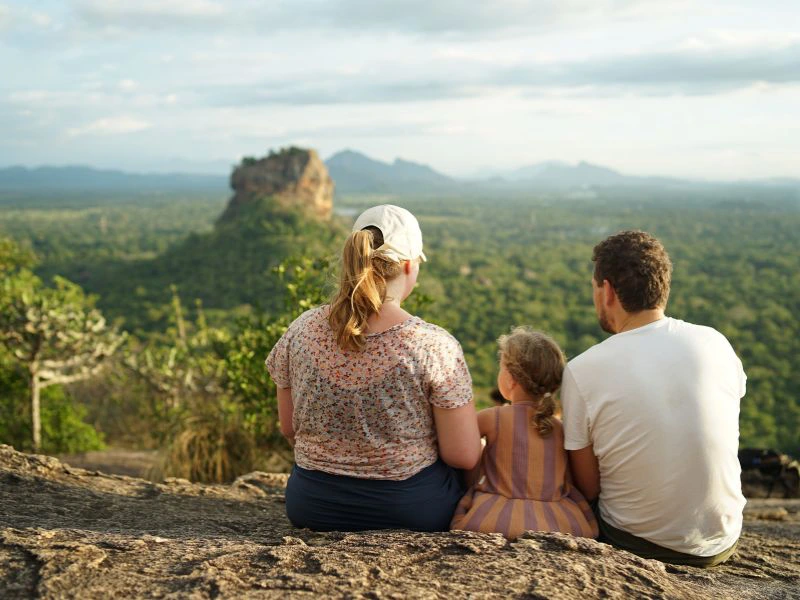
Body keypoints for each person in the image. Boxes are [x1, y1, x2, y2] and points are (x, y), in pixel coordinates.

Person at [266, 204, 481, 532]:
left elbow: (288, 427)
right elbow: (463, 456)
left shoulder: (302, 329)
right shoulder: (433, 345)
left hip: (313, 505)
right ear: (409, 266)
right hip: (411, 509)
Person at [561, 230, 746, 567]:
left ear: (607, 292)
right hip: (721, 540)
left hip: (635, 542)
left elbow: (588, 487)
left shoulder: (581, 370)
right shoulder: (716, 343)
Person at [450, 327, 598, 540]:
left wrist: (473, 489)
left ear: (510, 379)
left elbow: (468, 464)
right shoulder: (559, 427)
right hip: (557, 519)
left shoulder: (491, 418)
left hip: (494, 515)